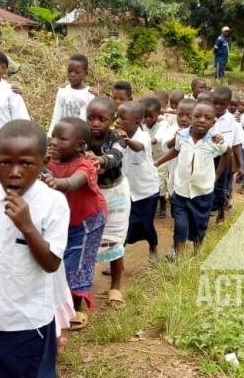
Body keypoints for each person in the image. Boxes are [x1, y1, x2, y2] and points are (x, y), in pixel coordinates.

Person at [0, 120, 69, 378]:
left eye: (26, 163)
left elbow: (51, 263)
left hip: (30, 322)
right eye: (5, 162)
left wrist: (27, 226)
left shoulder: (53, 203)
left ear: (44, 162)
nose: (14, 171)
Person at [44, 117, 107, 330]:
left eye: (62, 139)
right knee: (59, 257)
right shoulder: (48, 161)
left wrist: (56, 182)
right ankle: (60, 300)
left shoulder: (86, 165)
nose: (53, 142)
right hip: (62, 221)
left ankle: (76, 307)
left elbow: (72, 183)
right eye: (53, 136)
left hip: (88, 221)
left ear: (80, 146)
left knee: (78, 262)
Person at [155, 102, 227, 258]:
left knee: (199, 225)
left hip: (202, 192)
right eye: (197, 116)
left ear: (213, 122)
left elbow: (227, 154)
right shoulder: (182, 135)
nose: (201, 120)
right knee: (180, 226)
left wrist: (217, 174)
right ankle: (179, 258)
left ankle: (197, 254)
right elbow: (176, 150)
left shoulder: (215, 141)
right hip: (181, 191)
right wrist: (158, 162)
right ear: (191, 118)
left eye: (207, 118)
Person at [85, 97, 130, 309]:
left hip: (114, 193)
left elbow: (116, 157)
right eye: (91, 118)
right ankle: (81, 288)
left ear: (112, 120)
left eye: (101, 119)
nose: (95, 123)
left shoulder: (117, 139)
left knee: (115, 239)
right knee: (86, 241)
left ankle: (115, 286)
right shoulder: (81, 137)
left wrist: (100, 160)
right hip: (88, 193)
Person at [116, 101, 160, 263]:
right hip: (127, 191)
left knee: (147, 225)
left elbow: (138, 146)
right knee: (123, 226)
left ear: (136, 122)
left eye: (123, 118)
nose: (118, 121)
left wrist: (126, 140)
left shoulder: (143, 136)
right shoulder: (118, 135)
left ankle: (153, 248)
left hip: (146, 191)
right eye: (117, 117)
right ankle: (117, 259)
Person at [47, 54, 95, 137]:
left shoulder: (90, 94)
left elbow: (88, 120)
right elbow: (56, 114)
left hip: (78, 136)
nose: (72, 74)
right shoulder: (62, 90)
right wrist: (50, 135)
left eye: (77, 72)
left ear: (85, 73)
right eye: (70, 71)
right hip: (61, 133)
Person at [140, 96, 170, 219]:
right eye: (144, 116)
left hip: (161, 159)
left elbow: (158, 138)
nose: (147, 119)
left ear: (158, 114)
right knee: (147, 183)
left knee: (160, 184)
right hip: (147, 159)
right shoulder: (141, 125)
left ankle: (163, 203)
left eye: (150, 116)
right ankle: (149, 206)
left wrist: (143, 142)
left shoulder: (163, 124)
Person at [210, 86, 235, 224]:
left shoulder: (232, 120)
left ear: (229, 104)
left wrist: (239, 164)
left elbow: (233, 144)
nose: (218, 107)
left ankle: (221, 212)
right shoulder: (206, 115)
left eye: (222, 104)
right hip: (207, 158)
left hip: (224, 158)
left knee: (220, 185)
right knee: (206, 184)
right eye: (215, 103)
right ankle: (207, 209)